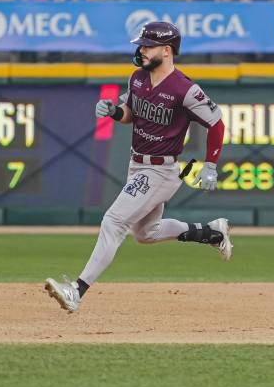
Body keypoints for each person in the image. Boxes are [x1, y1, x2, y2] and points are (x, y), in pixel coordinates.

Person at [44, 22, 233, 312]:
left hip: (160, 170)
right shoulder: (138, 78)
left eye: (147, 45)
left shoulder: (184, 89)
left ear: (166, 51)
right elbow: (130, 114)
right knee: (147, 233)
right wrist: (114, 111)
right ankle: (212, 233)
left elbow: (216, 122)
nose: (141, 50)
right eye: (141, 45)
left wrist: (211, 164)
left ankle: (76, 290)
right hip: (137, 163)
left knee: (113, 221)